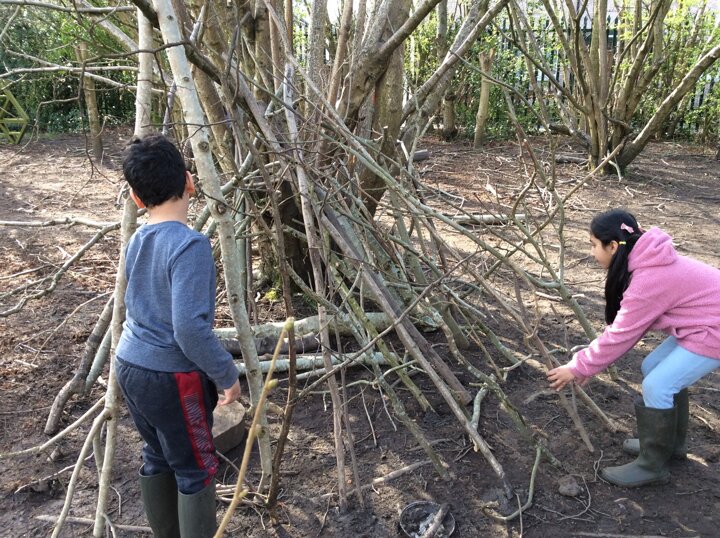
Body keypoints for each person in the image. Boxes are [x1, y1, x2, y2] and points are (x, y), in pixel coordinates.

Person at [115, 134, 241, 537]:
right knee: (196, 468)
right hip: (172, 376)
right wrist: (225, 373)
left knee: (157, 454)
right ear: (189, 180)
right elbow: (188, 328)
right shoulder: (191, 245)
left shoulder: (137, 240)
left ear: (136, 198)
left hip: (129, 365)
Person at [547, 209, 720, 487]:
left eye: (593, 244)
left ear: (613, 246)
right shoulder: (647, 259)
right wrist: (589, 365)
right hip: (704, 323)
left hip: (713, 330)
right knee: (652, 367)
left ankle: (652, 465)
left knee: (658, 385)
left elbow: (621, 335)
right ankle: (669, 444)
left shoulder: (649, 278)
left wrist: (579, 366)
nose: (591, 252)